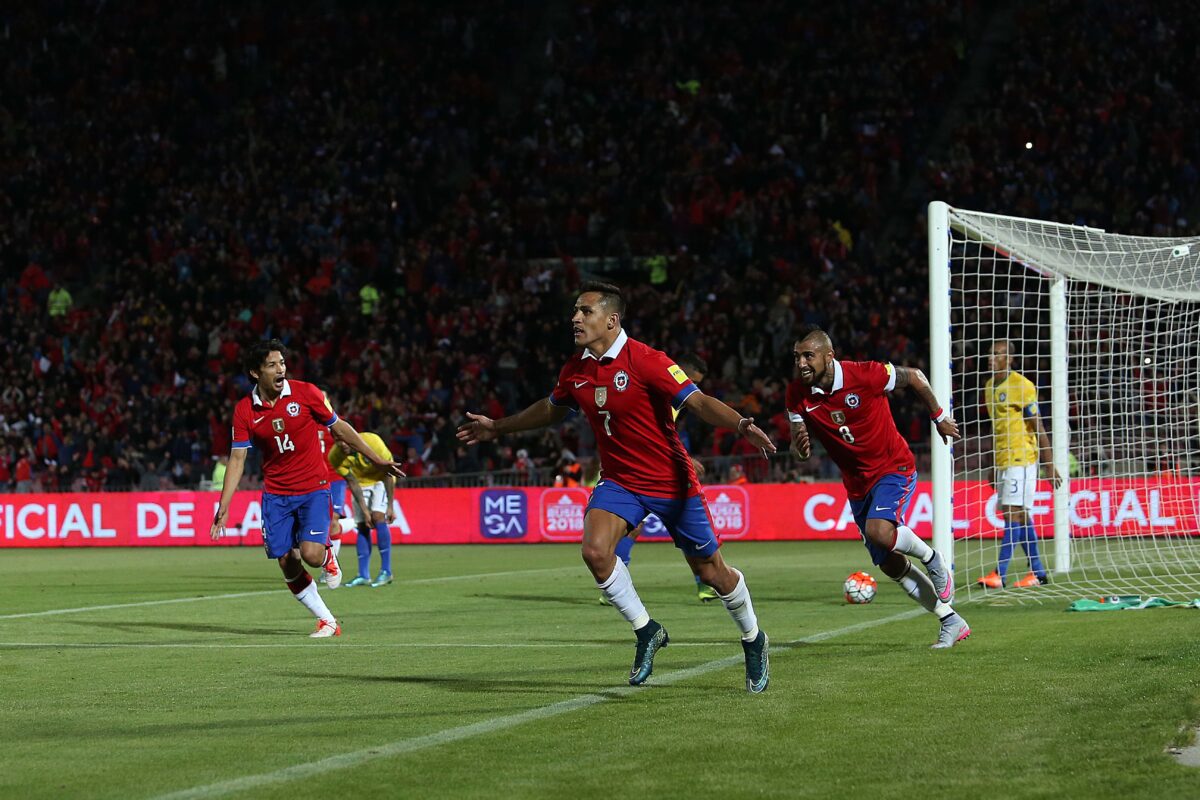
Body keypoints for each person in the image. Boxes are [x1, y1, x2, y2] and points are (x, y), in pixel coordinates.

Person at [458, 281, 775, 692]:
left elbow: (696, 401)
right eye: (575, 311)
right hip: (620, 481)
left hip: (670, 481)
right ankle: (647, 631)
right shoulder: (576, 368)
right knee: (595, 551)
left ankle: (753, 637)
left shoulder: (647, 360)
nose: (576, 318)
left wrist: (742, 424)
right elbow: (551, 410)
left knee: (712, 572)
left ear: (611, 319)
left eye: (585, 311)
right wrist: (497, 428)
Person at [786, 329, 970, 649]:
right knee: (889, 562)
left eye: (808, 356)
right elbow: (798, 446)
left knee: (879, 531)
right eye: (797, 356)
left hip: (892, 468)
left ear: (829, 357)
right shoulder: (796, 394)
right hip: (856, 485)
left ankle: (932, 558)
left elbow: (914, 376)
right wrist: (799, 448)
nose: (801, 362)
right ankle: (950, 620)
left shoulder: (866, 374)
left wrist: (938, 416)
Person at [209, 339, 404, 637]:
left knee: (312, 555)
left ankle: (327, 557)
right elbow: (237, 457)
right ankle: (327, 620)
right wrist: (224, 506)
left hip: (313, 487)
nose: (280, 370)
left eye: (282, 363)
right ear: (255, 372)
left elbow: (341, 428)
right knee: (286, 560)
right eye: (272, 365)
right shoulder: (245, 411)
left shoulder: (307, 393)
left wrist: (376, 458)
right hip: (275, 493)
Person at [603, 354, 722, 603]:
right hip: (643, 469)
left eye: (697, 383)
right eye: (690, 379)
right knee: (631, 528)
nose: (692, 387)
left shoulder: (677, 402)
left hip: (658, 467)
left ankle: (705, 582)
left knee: (683, 530)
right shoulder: (659, 388)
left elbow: (663, 435)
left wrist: (684, 458)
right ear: (680, 371)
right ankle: (614, 584)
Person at [976, 340, 1063, 589]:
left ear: (1010, 359)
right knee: (1020, 515)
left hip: (1022, 458)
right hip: (1003, 459)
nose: (992, 358)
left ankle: (999, 573)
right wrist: (992, 465)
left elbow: (1039, 427)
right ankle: (1038, 572)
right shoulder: (990, 387)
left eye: (998, 354)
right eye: (991, 354)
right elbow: (996, 429)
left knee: (1012, 513)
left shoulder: (1022, 386)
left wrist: (1049, 464)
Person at [330, 431, 398, 587]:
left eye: (344, 440)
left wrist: (390, 506)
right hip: (361, 483)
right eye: (337, 441)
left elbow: (388, 472)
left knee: (378, 517)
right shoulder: (335, 456)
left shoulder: (373, 442)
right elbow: (352, 482)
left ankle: (386, 571)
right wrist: (364, 512)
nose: (341, 444)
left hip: (382, 478)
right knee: (362, 524)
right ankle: (363, 575)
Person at [316, 427, 350, 586]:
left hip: (335, 478)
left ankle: (330, 568)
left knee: (333, 520)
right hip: (315, 479)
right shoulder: (303, 418)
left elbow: (348, 443)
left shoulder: (334, 422)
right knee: (322, 522)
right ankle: (353, 523)